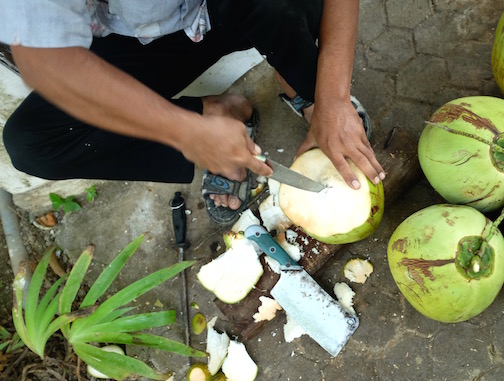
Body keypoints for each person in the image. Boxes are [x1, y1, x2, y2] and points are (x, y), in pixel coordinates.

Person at [0, 0, 385, 226]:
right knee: (32, 143)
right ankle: (214, 116)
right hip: (134, 37)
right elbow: (47, 63)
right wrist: (182, 130)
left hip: (230, 8)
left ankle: (305, 91)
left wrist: (333, 96)